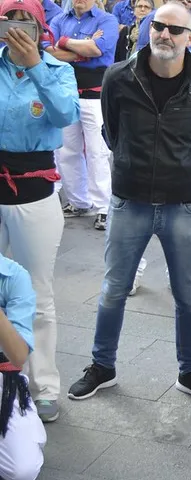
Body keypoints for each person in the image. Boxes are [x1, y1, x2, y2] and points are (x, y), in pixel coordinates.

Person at [67, 1, 191, 408]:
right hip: (129, 200)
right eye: (158, 26)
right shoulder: (118, 76)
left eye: (175, 30)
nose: (165, 35)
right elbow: (111, 131)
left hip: (182, 205)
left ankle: (190, 372)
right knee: (113, 290)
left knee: (188, 295)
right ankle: (102, 366)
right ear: (146, 29)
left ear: (190, 37)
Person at [0, 0, 80, 425]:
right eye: (7, 19)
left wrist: (34, 66)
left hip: (34, 190)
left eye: (24, 21)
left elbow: (65, 113)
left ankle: (44, 384)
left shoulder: (57, 69)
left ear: (40, 27)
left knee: (37, 293)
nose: (15, 28)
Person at [45, 0, 119, 231]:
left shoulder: (107, 20)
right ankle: (79, 201)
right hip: (67, 90)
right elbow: (48, 50)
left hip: (95, 93)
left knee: (98, 151)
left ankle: (104, 208)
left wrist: (65, 42)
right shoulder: (58, 19)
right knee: (67, 150)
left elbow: (98, 49)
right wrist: (82, 51)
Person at [0, 252, 44, 480]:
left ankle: (26, 425)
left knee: (22, 470)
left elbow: (18, 356)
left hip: (3, 378)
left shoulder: (14, 276)